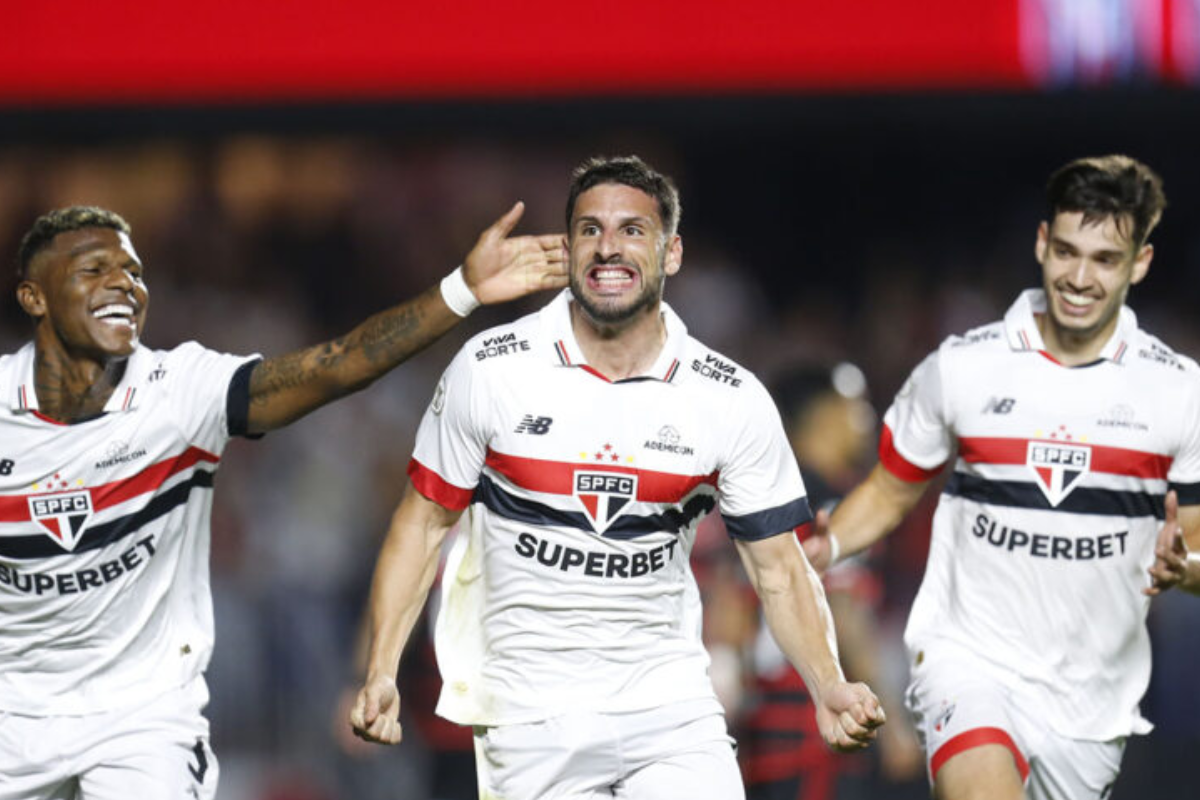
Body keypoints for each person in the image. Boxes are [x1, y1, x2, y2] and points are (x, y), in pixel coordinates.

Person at [350, 155, 886, 799]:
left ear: (672, 253)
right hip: (528, 720)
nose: (609, 247)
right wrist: (381, 668)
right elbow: (421, 525)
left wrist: (828, 682)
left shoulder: (728, 396)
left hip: (671, 711)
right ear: (568, 247)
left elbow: (779, 566)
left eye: (633, 230)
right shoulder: (491, 370)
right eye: (590, 230)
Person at [0, 202, 566, 800]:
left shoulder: (180, 392)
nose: (122, 284)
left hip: (140, 721)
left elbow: (338, 365)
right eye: (93, 270)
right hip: (17, 711)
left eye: (132, 271)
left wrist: (462, 290)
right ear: (34, 297)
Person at [802, 154, 1200, 800]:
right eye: (1066, 251)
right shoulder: (964, 368)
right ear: (1042, 243)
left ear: (1141, 263)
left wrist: (1187, 568)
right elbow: (890, 488)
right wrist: (830, 544)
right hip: (970, 659)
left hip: (1091, 695)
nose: (1078, 277)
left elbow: (1194, 536)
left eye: (1104, 259)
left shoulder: (1178, 392)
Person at [740, 364, 924, 800]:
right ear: (822, 416)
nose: (867, 417)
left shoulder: (759, 489)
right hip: (814, 719)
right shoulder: (831, 503)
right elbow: (844, 607)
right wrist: (894, 721)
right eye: (854, 406)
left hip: (761, 715)